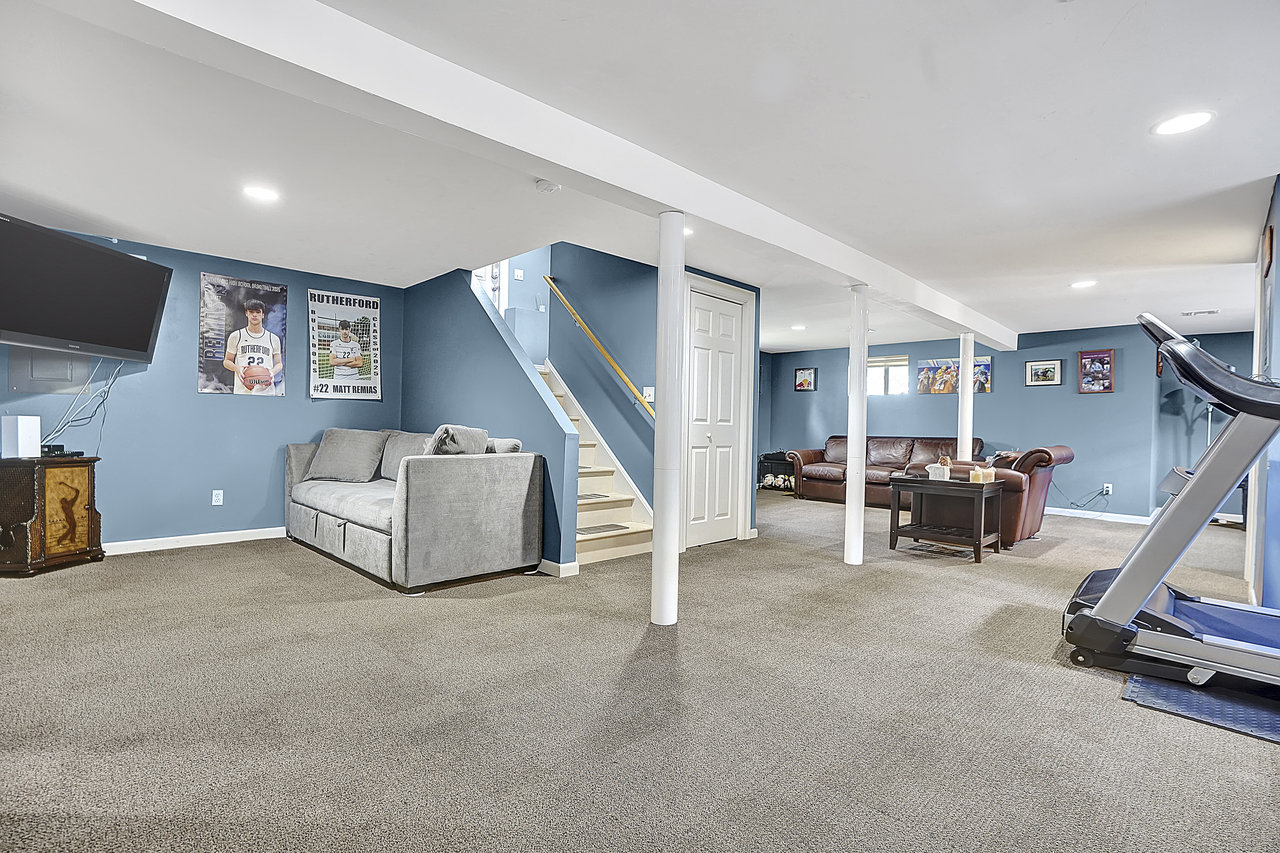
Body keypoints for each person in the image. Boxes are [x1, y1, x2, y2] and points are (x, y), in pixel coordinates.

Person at [222, 298, 282, 395]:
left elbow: (279, 364)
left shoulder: (273, 338)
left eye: (258, 312)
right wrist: (237, 368)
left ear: (263, 315)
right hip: (243, 391)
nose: (254, 315)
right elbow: (227, 361)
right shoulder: (236, 336)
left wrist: (271, 372)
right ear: (246, 313)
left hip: (266, 392)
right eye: (251, 312)